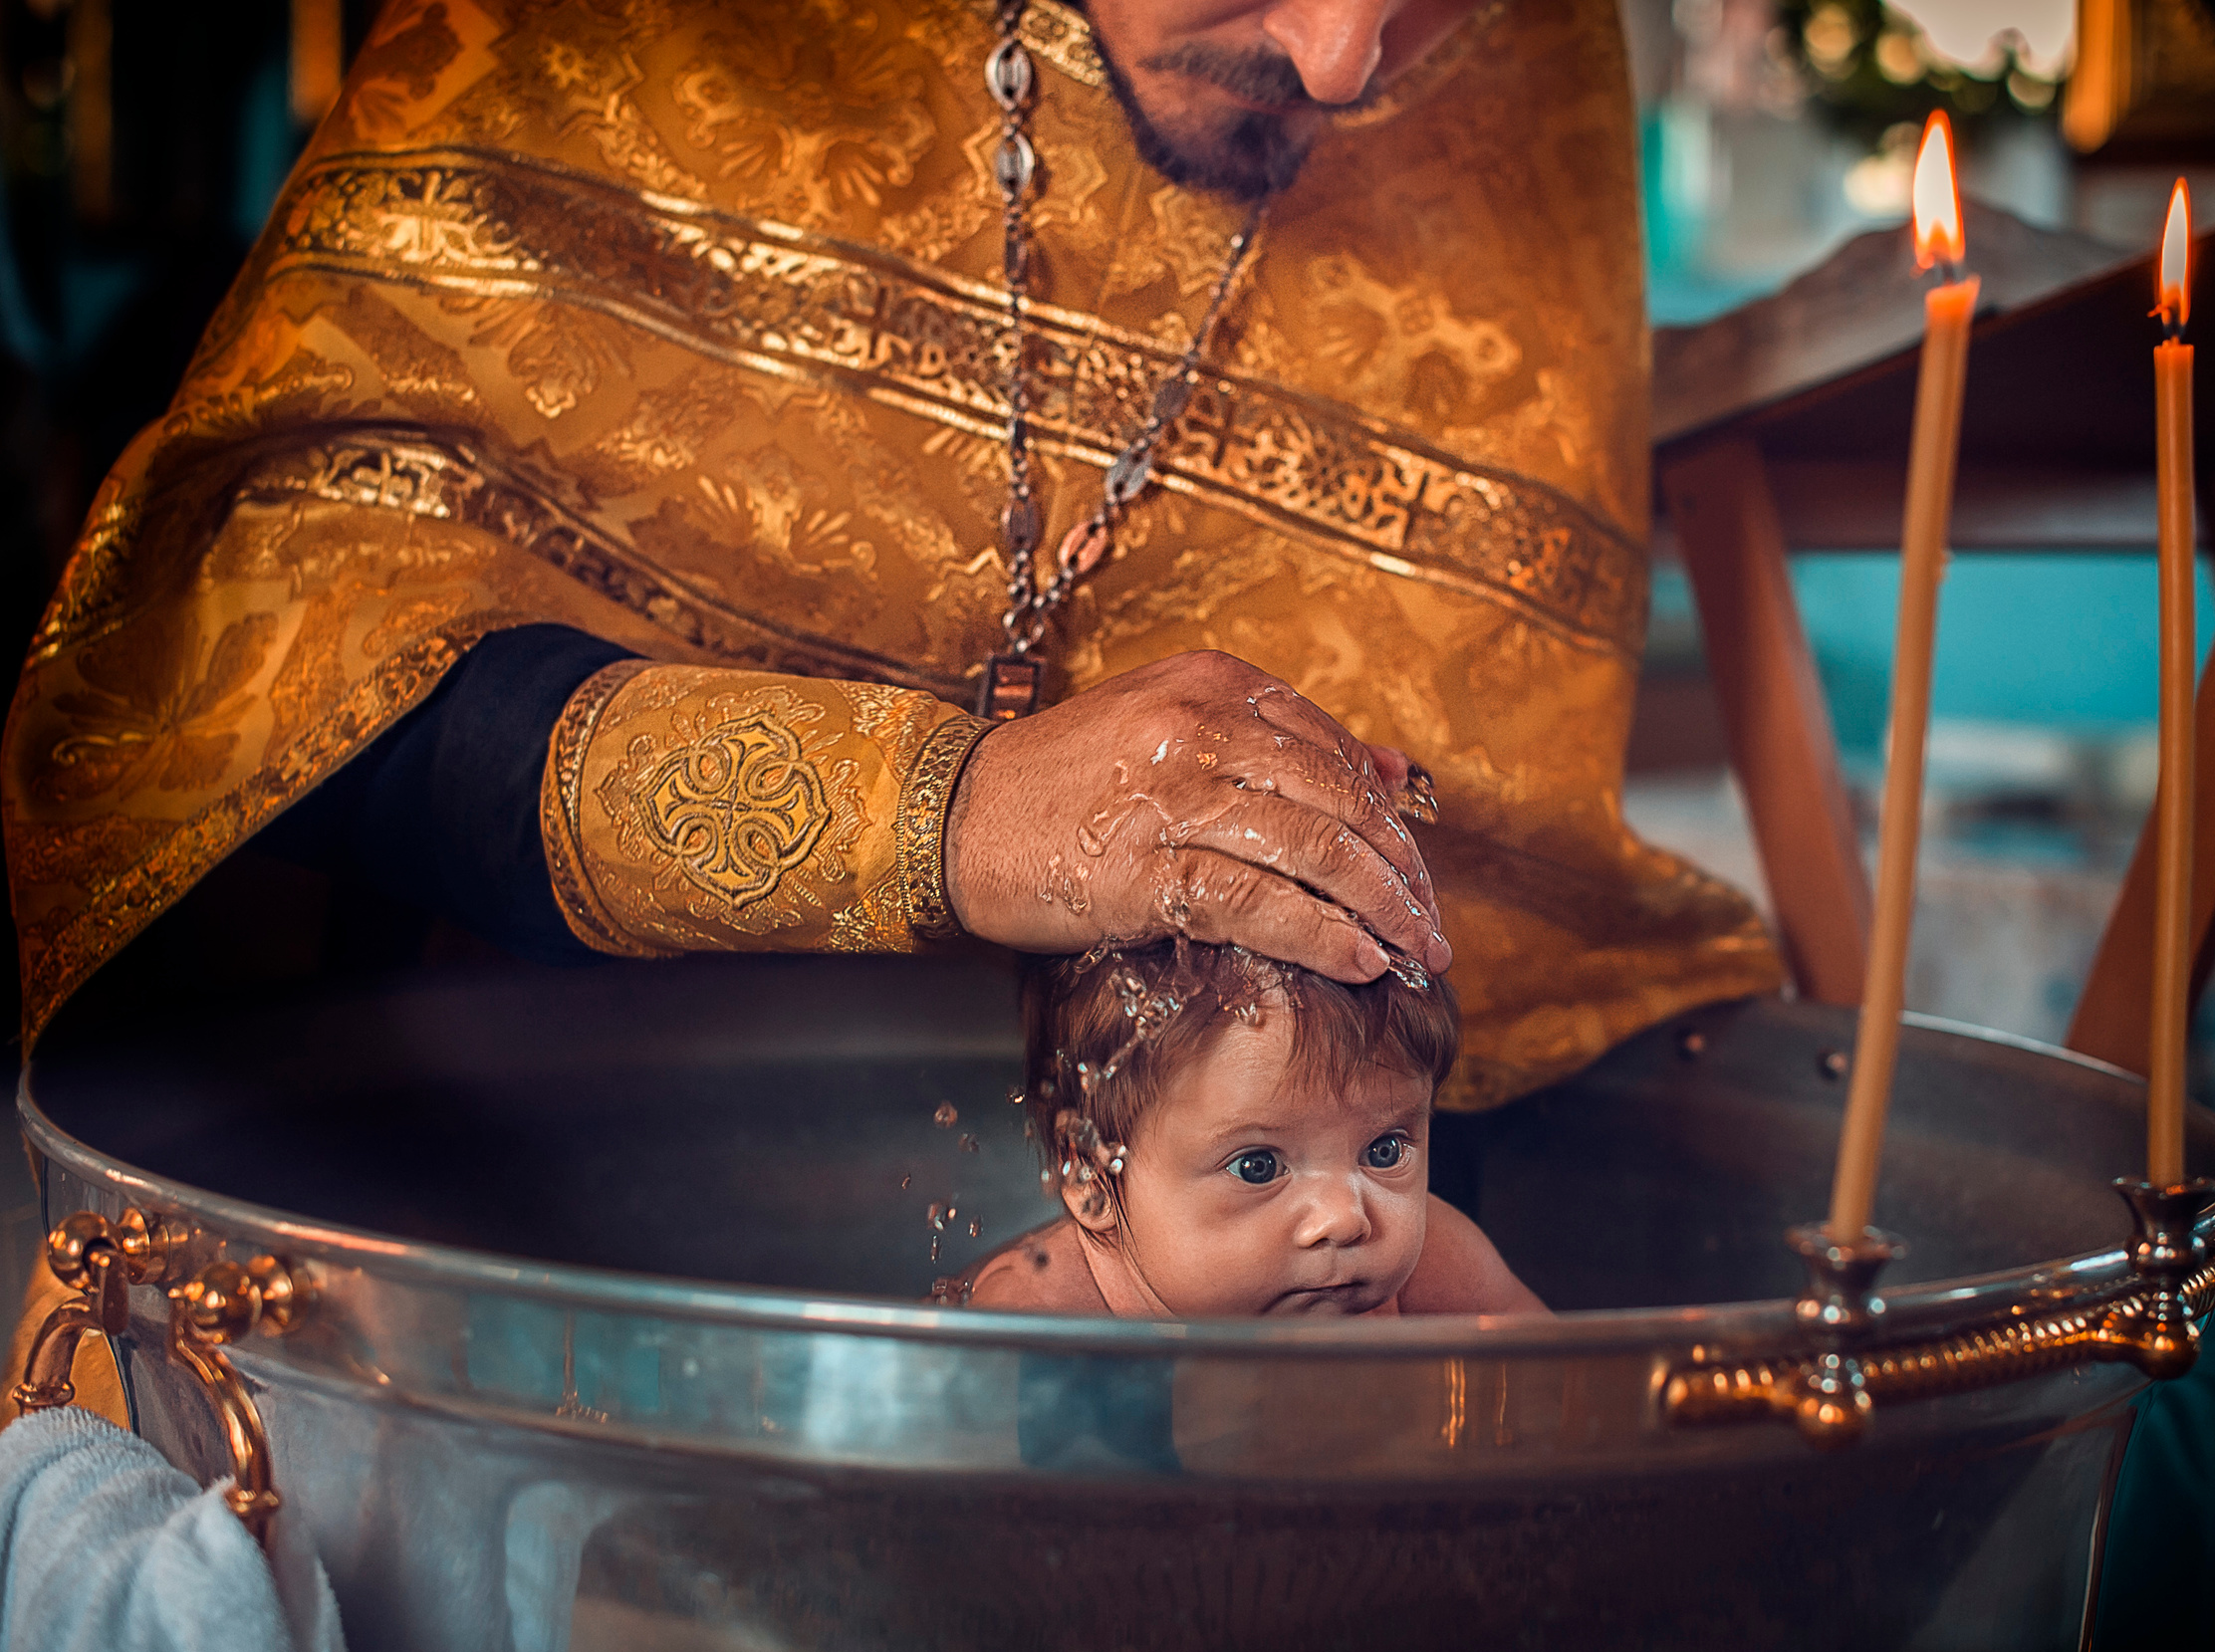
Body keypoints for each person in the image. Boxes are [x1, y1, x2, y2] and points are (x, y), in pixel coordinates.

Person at [3, 0, 1778, 1109]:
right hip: (538, 1173)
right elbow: (262, 658)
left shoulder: (1512, 54)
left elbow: (1503, 850)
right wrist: (934, 810)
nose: (1345, 61)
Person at [952, 939, 1545, 1316]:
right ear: (1090, 1174)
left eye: (1384, 1150)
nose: (1344, 1217)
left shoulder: (1435, 1274)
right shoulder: (1035, 1318)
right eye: (1258, 1165)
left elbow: (1571, 1404)